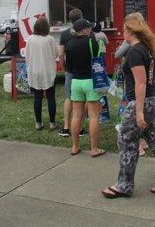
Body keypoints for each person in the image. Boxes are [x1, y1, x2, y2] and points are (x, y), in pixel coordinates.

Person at [102, 13, 155, 198]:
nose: (123, 32)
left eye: (125, 29)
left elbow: (140, 83)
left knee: (126, 140)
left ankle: (124, 185)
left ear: (131, 31)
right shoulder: (147, 49)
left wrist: (139, 112)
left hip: (140, 102)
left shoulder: (134, 51)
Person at [65, 18, 106, 157]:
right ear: (83, 30)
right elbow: (99, 60)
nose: (90, 30)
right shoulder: (92, 42)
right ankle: (94, 149)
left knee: (76, 115)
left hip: (76, 81)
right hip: (90, 81)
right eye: (88, 28)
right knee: (93, 116)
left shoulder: (69, 44)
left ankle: (75, 146)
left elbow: (68, 66)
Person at [115, 33, 148, 157]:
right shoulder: (145, 42)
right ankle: (143, 141)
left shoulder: (131, 43)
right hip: (146, 85)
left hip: (133, 83)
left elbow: (117, 55)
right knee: (142, 111)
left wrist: (123, 45)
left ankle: (138, 145)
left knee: (134, 114)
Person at [58, 9, 88, 138]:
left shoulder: (64, 34)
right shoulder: (87, 34)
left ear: (69, 19)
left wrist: (64, 68)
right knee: (84, 100)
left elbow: (60, 54)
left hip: (70, 71)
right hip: (84, 72)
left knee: (69, 98)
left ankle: (66, 128)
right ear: (81, 18)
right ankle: (80, 128)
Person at [25, 17, 58, 131]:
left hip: (35, 71)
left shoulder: (30, 39)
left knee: (37, 97)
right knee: (51, 97)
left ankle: (38, 123)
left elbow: (27, 55)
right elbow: (55, 54)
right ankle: (52, 123)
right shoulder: (50, 39)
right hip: (48, 71)